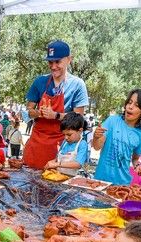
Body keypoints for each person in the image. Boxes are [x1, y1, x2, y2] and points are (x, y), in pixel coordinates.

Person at [23, 40, 88, 169]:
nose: (53, 66)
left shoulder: (77, 85)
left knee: (55, 183)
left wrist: (55, 115)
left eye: (57, 62)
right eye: (50, 62)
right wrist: (37, 113)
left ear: (69, 59)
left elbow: (79, 118)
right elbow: (28, 110)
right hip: (37, 143)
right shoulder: (40, 81)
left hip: (61, 144)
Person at [93, 89, 141, 185]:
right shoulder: (111, 121)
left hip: (123, 184)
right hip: (101, 181)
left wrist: (138, 166)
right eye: (129, 102)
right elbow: (96, 147)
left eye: (136, 105)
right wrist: (96, 137)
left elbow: (135, 159)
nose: (130, 107)